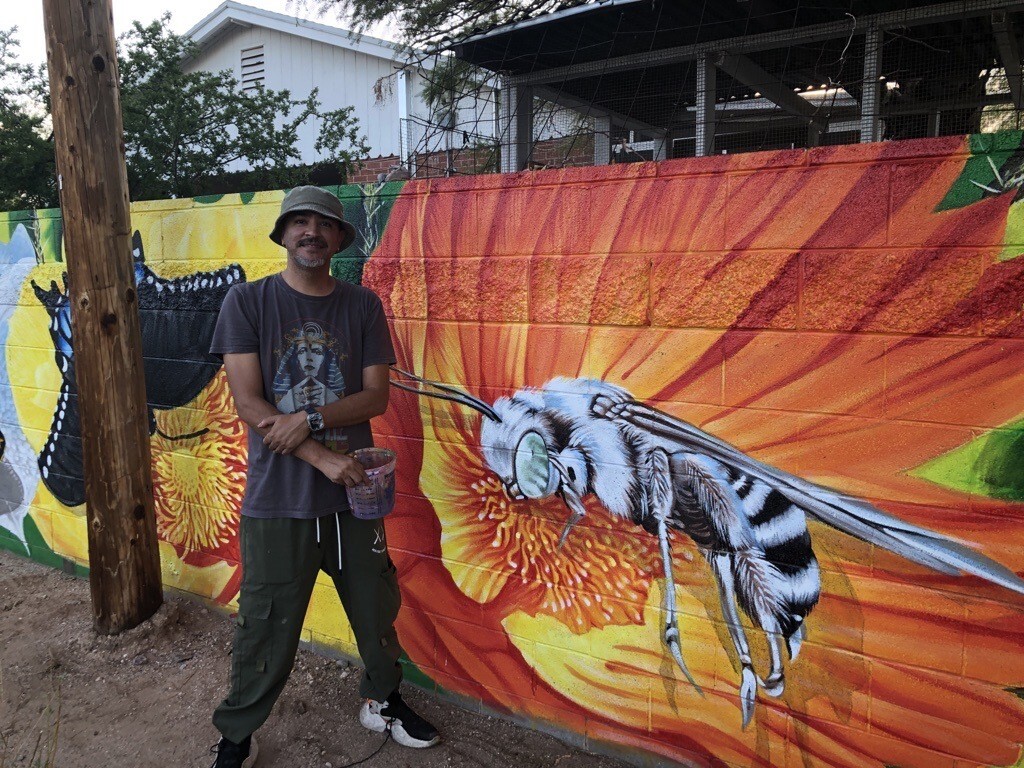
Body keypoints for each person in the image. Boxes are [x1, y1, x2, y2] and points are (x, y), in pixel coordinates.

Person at [208, 186, 440, 768]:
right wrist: (323, 457)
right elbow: (248, 402)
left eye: (325, 224)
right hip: (278, 499)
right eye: (300, 222)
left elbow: (375, 396)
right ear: (284, 234)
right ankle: (237, 734)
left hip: (356, 500)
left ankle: (382, 700)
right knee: (265, 622)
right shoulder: (248, 302)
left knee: (375, 605)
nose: (312, 232)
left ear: (338, 239)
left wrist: (308, 419)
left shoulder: (362, 306)